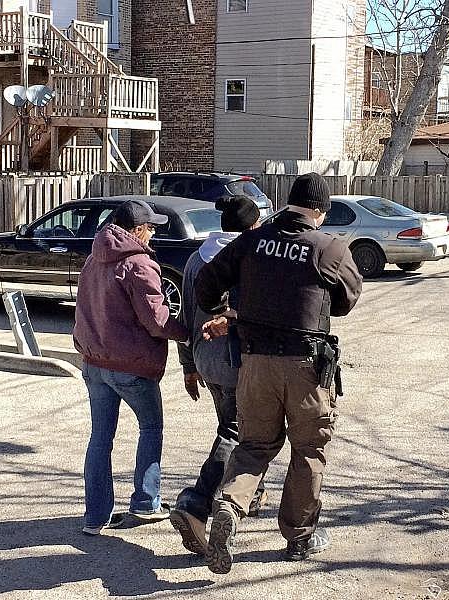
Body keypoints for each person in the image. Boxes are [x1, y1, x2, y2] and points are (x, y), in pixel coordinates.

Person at [194, 172, 363, 574]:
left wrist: (224, 311)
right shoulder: (329, 247)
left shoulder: (251, 240)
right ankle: (299, 537)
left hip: (255, 365)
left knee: (254, 446)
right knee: (307, 451)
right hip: (306, 368)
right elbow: (346, 300)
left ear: (288, 203)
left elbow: (205, 283)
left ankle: (230, 506)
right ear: (320, 211)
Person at [73, 198, 189, 536]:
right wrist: (188, 332)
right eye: (150, 227)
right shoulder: (139, 264)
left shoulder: (94, 258)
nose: (153, 233)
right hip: (132, 365)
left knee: (100, 438)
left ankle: (95, 517)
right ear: (136, 230)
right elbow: (156, 320)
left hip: (94, 362)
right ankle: (146, 502)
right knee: (151, 429)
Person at [170, 195, 267, 555]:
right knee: (236, 432)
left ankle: (252, 493)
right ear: (254, 226)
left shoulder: (196, 259)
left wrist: (188, 366)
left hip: (205, 359)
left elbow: (184, 317)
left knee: (239, 429)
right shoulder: (249, 259)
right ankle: (196, 503)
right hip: (237, 363)